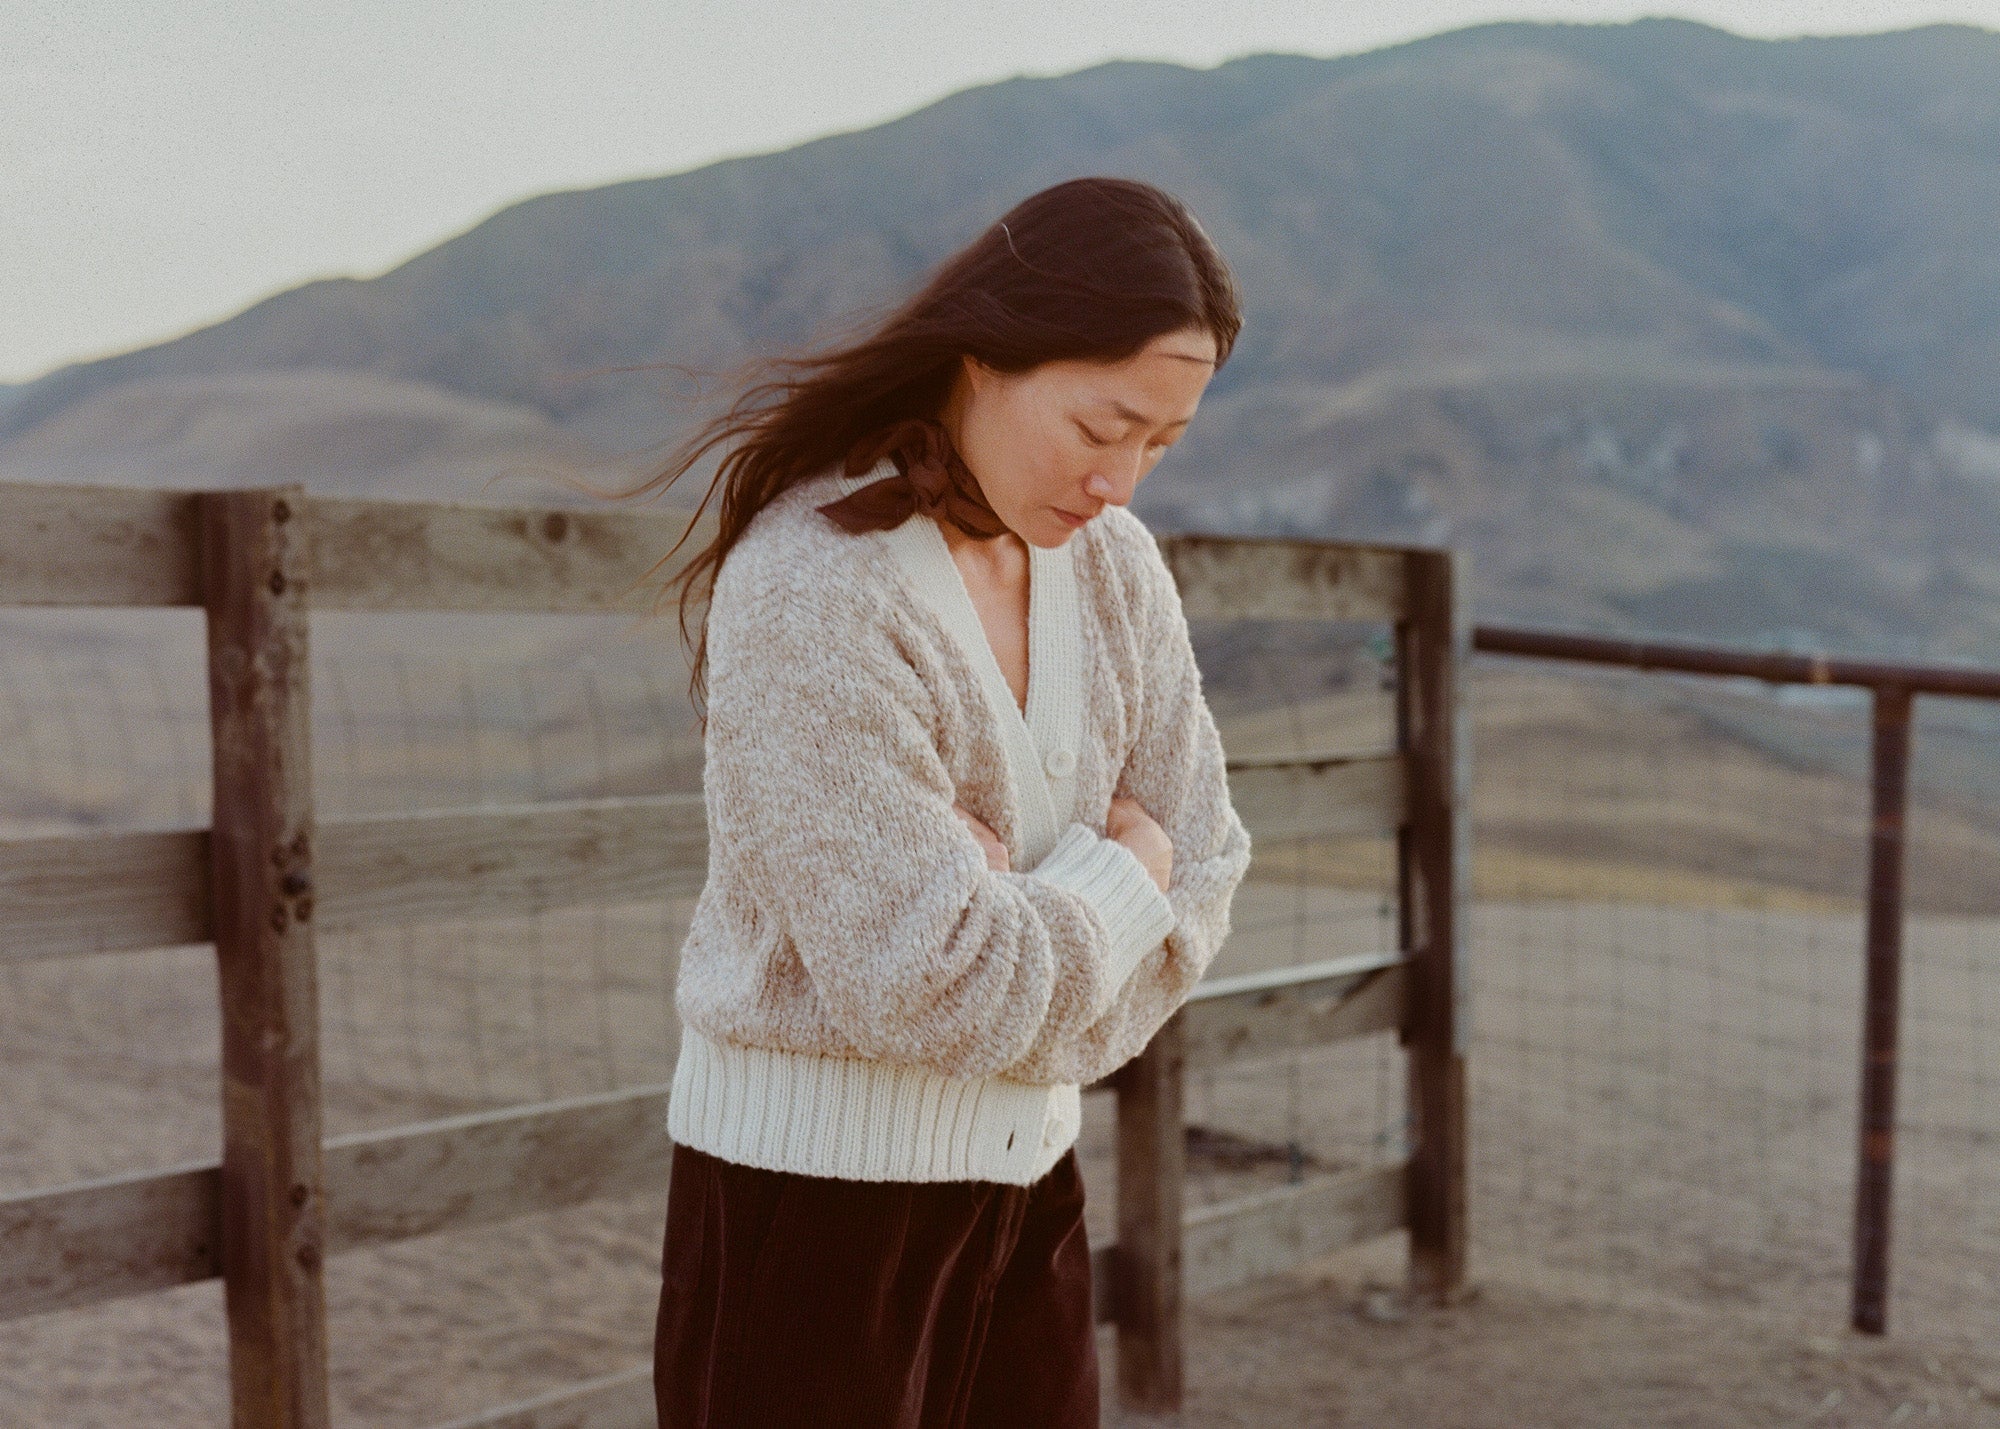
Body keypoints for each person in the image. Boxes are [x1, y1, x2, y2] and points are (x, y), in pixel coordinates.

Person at [634, 175, 1254, 1428]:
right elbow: (920, 980)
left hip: (1031, 1198)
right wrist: (1110, 874)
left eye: (1161, 443)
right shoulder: (817, 585)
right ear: (983, 360)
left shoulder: (1116, 569)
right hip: (808, 1221)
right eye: (1100, 426)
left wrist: (1019, 920)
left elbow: (1209, 867)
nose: (1121, 483)